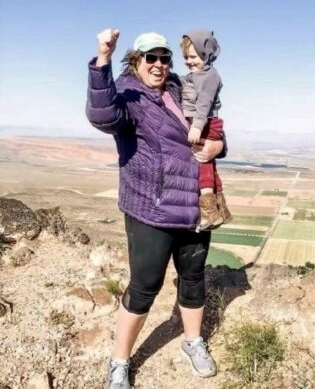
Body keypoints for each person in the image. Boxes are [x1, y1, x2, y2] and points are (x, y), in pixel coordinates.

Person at [86, 29, 225, 389]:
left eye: (165, 58)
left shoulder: (180, 87)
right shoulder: (129, 94)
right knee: (145, 286)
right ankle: (119, 362)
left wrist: (218, 146)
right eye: (151, 58)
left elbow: (211, 122)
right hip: (152, 208)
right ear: (136, 61)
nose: (160, 65)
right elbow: (102, 114)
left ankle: (192, 341)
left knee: (193, 278)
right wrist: (102, 58)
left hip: (195, 206)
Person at [180, 29, 232, 231]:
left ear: (207, 54)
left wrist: (196, 126)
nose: (188, 61)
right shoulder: (200, 74)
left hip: (205, 123)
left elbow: (203, 103)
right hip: (206, 123)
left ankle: (210, 214)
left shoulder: (208, 77)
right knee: (209, 165)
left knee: (204, 165)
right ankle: (220, 210)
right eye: (185, 57)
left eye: (193, 56)